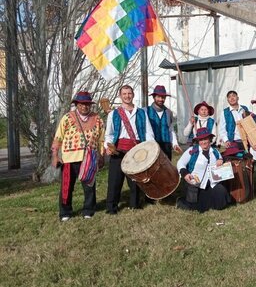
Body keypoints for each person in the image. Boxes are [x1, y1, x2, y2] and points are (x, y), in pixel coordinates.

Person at [51, 91, 105, 221]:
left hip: (89, 159)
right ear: (76, 104)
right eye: (82, 104)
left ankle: (88, 210)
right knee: (67, 187)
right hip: (69, 159)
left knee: (89, 186)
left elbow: (102, 140)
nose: (84, 107)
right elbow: (58, 137)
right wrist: (55, 155)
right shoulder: (67, 118)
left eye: (87, 104)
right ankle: (65, 212)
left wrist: (102, 156)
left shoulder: (97, 119)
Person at [104, 85, 155, 214]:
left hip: (136, 150)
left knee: (135, 180)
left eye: (129, 93)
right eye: (124, 94)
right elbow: (109, 134)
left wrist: (151, 146)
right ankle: (111, 208)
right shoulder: (113, 114)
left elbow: (148, 132)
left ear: (133, 95)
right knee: (115, 180)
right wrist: (108, 146)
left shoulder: (141, 112)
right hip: (119, 150)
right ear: (120, 96)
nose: (127, 96)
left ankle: (135, 205)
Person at [176, 128, 231, 212]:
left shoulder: (215, 151)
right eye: (201, 139)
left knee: (221, 195)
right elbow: (180, 163)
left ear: (210, 139)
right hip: (195, 184)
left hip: (211, 184)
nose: (204, 142)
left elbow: (220, 160)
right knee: (200, 207)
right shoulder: (192, 151)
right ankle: (181, 201)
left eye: (206, 139)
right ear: (198, 141)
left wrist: (221, 160)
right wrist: (185, 173)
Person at [146, 85, 182, 159]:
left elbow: (171, 130)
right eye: (158, 97)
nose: (161, 99)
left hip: (166, 146)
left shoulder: (168, 112)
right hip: (151, 146)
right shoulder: (146, 111)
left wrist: (175, 144)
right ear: (154, 97)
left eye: (163, 97)